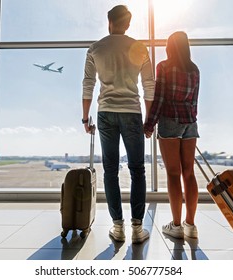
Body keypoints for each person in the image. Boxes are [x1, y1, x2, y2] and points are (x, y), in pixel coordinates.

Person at [82, 5, 155, 243]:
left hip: (106, 113)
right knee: (137, 170)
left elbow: (88, 85)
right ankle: (136, 228)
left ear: (109, 22)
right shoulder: (140, 48)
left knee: (111, 171)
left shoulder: (95, 49)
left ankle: (118, 227)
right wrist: (148, 120)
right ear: (128, 24)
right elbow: (149, 86)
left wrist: (85, 118)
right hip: (132, 112)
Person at [144, 31, 200, 239]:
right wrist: (190, 121)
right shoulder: (194, 70)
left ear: (170, 46)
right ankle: (191, 225)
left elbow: (159, 99)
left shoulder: (164, 67)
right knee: (189, 173)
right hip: (190, 123)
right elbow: (195, 100)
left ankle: (176, 226)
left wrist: (149, 124)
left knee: (173, 174)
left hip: (169, 121)